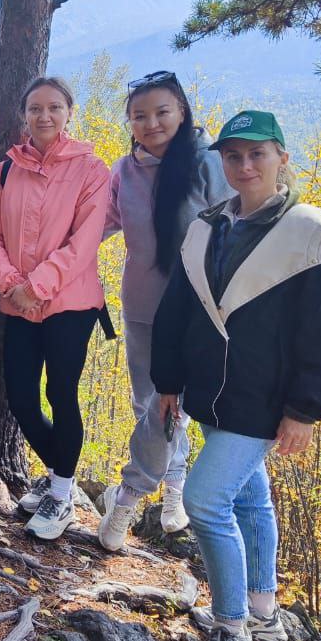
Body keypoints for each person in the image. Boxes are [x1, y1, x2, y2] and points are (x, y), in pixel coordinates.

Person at [152, 110, 321, 641]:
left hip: (264, 401)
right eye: (233, 155)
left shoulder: (312, 232)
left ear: (282, 158)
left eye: (258, 154)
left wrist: (305, 411)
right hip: (212, 395)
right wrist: (168, 381)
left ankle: (232, 631)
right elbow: (178, 312)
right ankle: (263, 609)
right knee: (249, 499)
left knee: (205, 500)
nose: (245, 166)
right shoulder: (208, 226)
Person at [97, 71, 234, 551]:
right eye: (140, 115)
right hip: (142, 304)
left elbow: (232, 230)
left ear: (182, 111)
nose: (151, 123)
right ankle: (173, 487)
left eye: (162, 112)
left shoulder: (207, 162)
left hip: (199, 311)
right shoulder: (124, 171)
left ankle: (129, 496)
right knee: (149, 404)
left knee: (166, 407)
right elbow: (101, 223)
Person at [0, 76, 110, 540]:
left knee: (61, 395)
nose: (45, 116)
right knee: (19, 396)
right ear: (24, 115)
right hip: (17, 303)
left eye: (54, 107)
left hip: (70, 304)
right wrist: (14, 284)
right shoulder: (6, 171)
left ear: (69, 112)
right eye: (35, 108)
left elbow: (85, 242)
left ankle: (60, 494)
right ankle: (61, 478)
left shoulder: (93, 171)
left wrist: (38, 285)